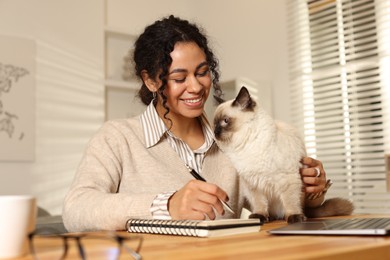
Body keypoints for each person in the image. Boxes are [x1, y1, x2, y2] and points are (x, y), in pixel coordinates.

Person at [62, 15, 328, 232]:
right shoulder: (117, 137)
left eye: (202, 73)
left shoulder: (234, 141)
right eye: (180, 78)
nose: (196, 86)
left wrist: (311, 191)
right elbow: (76, 209)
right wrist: (166, 206)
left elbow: (276, 205)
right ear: (152, 81)